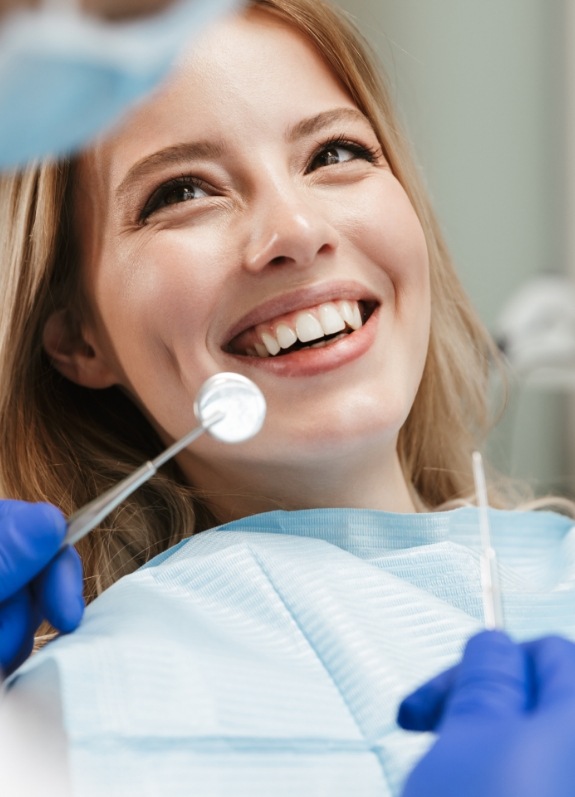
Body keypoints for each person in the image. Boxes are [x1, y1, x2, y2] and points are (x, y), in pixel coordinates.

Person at [1, 0, 575, 794]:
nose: (297, 230)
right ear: (76, 340)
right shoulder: (44, 728)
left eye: (335, 151)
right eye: (180, 192)